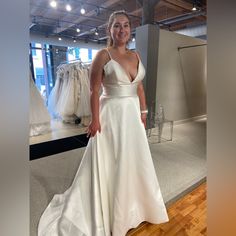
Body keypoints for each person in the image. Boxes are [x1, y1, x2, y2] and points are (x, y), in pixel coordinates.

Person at [38, 10, 169, 236]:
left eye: (126, 25)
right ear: (109, 30)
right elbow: (94, 90)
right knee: (113, 159)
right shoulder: (103, 55)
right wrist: (95, 120)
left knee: (133, 159)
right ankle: (114, 211)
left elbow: (138, 86)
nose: (122, 30)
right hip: (112, 115)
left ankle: (136, 206)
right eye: (117, 25)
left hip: (132, 116)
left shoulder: (136, 55)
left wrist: (144, 110)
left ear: (130, 29)